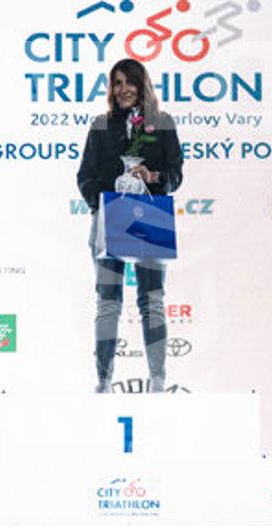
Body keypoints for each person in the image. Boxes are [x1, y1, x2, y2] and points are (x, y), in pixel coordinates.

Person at [77, 58, 184, 394]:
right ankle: (103, 381)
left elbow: (176, 175)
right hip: (109, 218)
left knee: (152, 300)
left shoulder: (162, 123)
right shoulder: (100, 125)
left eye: (129, 82)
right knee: (108, 302)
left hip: (150, 216)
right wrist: (106, 200)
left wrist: (153, 178)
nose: (123, 89)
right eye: (117, 83)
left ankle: (158, 380)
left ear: (142, 84)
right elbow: (85, 176)